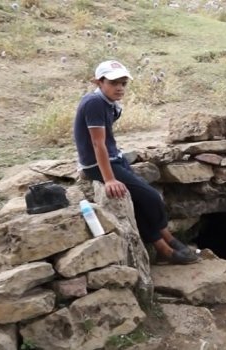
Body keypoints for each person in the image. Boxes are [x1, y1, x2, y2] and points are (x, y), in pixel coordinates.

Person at [73, 60, 198, 265]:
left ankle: (164, 247)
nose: (120, 88)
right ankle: (168, 241)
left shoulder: (108, 103)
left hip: (115, 158)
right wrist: (110, 179)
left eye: (123, 83)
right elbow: (98, 144)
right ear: (99, 82)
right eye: (114, 83)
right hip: (98, 165)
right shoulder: (94, 103)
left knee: (140, 201)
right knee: (152, 198)